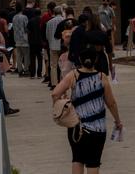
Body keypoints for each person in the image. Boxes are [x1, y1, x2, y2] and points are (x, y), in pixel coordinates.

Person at [51, 46, 123, 174]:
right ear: (95, 60)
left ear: (79, 59)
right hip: (97, 129)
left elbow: (55, 93)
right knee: (93, 162)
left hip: (76, 127)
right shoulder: (102, 77)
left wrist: (60, 103)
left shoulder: (73, 76)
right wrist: (118, 121)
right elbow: (111, 103)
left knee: (77, 159)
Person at [46, 5, 65, 88]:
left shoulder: (49, 22)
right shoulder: (64, 20)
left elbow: (47, 35)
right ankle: (62, 81)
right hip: (62, 46)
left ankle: (54, 83)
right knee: (63, 65)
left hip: (52, 45)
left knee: (53, 66)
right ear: (61, 12)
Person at [13, 1, 30, 77]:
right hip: (24, 38)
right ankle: (26, 70)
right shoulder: (24, 17)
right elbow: (27, 28)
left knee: (19, 56)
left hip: (16, 38)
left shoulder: (14, 17)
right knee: (26, 55)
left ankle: (20, 70)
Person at [28, 8, 44, 79]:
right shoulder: (42, 20)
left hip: (32, 42)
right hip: (40, 42)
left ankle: (32, 74)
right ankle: (39, 74)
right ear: (40, 13)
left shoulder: (31, 20)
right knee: (40, 58)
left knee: (32, 58)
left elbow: (28, 30)